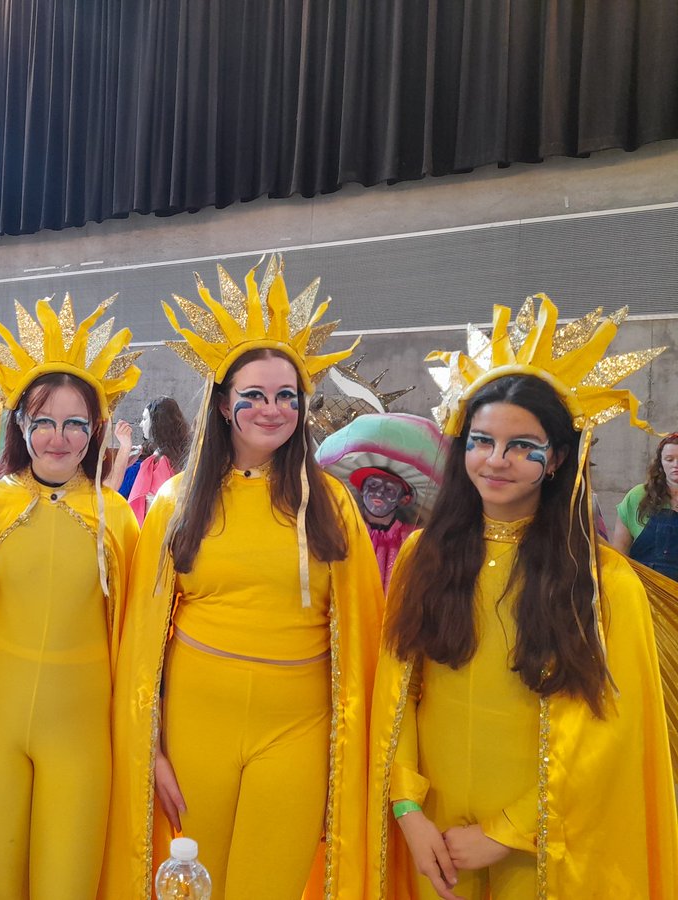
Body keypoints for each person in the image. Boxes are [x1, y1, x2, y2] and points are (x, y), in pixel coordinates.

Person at [368, 295, 677, 899]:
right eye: (481, 441)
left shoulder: (603, 584)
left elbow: (608, 737)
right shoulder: (420, 556)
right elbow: (399, 691)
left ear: (558, 458)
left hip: (539, 847)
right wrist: (408, 808)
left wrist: (510, 831)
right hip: (433, 838)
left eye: (522, 446)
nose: (497, 460)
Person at [104, 256, 384, 899]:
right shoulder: (176, 501)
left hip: (299, 732)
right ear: (224, 404)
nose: (270, 409)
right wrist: (148, 744)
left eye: (286, 395)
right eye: (252, 395)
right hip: (198, 725)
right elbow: (141, 638)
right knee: (192, 887)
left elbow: (364, 639)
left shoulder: (333, 505)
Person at [0, 295, 141, 899]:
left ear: (95, 432)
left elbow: (141, 634)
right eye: (44, 422)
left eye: (74, 423)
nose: (58, 437)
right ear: (22, 428)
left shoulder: (119, 521)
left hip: (81, 735)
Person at [315, 413, 448, 590]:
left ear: (404, 499)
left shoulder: (413, 539)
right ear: (361, 490)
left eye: (390, 489)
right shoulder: (342, 533)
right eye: (373, 485)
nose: (379, 493)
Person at [612, 432, 678, 580]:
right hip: (643, 593)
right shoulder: (637, 497)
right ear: (660, 463)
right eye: (669, 459)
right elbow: (619, 555)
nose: (676, 465)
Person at [126, 396, 190, 524]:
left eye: (145, 419)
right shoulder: (169, 455)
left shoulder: (163, 460)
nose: (140, 424)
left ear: (156, 422)